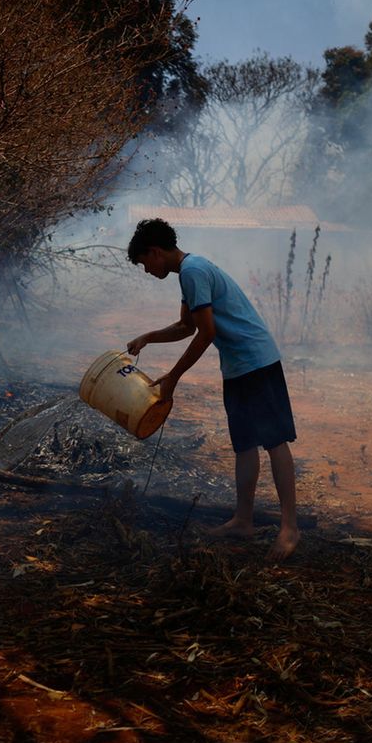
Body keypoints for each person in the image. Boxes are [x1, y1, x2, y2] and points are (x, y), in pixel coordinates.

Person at [125, 217, 302, 561]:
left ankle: (290, 527)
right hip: (237, 366)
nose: (147, 271)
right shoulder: (188, 273)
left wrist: (173, 377)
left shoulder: (193, 271)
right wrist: (148, 337)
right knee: (245, 444)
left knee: (275, 441)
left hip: (256, 361)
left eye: (145, 263)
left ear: (156, 252)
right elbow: (185, 326)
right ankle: (243, 520)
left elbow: (206, 334)